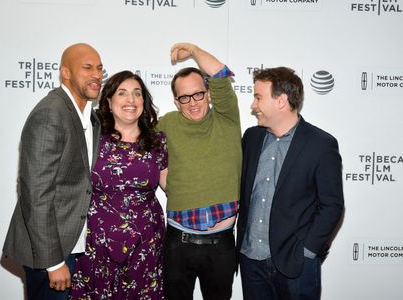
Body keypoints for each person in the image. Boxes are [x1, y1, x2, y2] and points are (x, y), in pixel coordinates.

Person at [2, 43, 103, 300]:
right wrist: (53, 262)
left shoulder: (90, 118)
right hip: (50, 252)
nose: (96, 75)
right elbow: (36, 192)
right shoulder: (51, 114)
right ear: (65, 73)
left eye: (100, 69)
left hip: (74, 245)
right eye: (87, 67)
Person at [236, 67, 344, 300]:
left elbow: (332, 205)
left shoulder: (321, 145)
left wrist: (308, 252)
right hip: (250, 260)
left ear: (282, 101)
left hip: (295, 265)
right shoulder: (252, 138)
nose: (253, 105)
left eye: (258, 97)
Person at [69, 70, 168, 299]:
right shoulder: (91, 138)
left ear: (144, 101)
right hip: (96, 242)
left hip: (146, 242)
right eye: (122, 93)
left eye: (137, 93)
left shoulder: (157, 141)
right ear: (109, 101)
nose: (130, 100)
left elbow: (172, 186)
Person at [157, 43, 242, 300]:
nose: (192, 103)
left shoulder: (226, 117)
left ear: (208, 93)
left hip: (221, 246)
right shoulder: (166, 124)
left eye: (198, 94)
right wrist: (166, 177)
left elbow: (219, 74)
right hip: (177, 244)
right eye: (184, 97)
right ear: (176, 101)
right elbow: (138, 150)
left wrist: (193, 50)